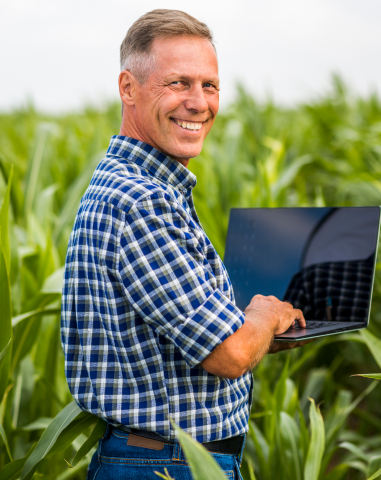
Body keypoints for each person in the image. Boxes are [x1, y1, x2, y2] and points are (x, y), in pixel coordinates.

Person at [60, 9, 310, 479]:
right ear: (128, 88)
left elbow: (175, 335)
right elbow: (229, 354)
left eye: (209, 85)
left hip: (161, 458)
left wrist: (259, 335)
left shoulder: (138, 186)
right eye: (178, 83)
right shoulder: (141, 201)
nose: (198, 102)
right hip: (167, 464)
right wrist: (262, 316)